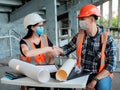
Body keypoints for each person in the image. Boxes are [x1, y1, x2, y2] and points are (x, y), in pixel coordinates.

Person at [52, 4, 117, 90]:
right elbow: (68, 48)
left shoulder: (107, 38)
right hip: (82, 72)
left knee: (103, 87)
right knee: (64, 85)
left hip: (100, 74)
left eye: (82, 19)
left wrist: (95, 80)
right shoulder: (80, 35)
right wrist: (59, 50)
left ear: (91, 20)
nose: (80, 22)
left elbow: (112, 65)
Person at [19, 13, 55, 90]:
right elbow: (27, 53)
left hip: (47, 69)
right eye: (40, 26)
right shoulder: (24, 42)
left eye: (42, 26)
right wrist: (47, 48)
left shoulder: (45, 38)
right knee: (41, 85)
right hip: (32, 71)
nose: (42, 28)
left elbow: (52, 54)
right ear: (32, 27)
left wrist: (51, 64)